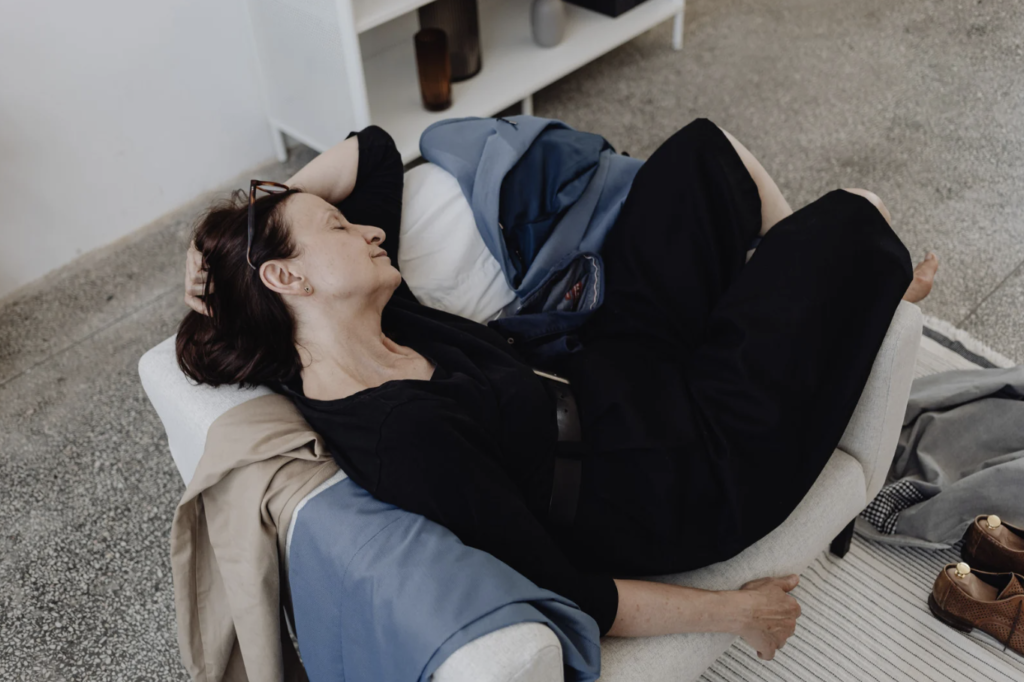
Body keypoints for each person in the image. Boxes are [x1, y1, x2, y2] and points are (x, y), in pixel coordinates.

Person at [176, 120, 938, 661]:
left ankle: (798, 306)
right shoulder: (402, 436)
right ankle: (823, 306)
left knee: (700, 158)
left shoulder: (366, 309)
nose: (369, 231)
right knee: (854, 216)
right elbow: (566, 587)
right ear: (289, 278)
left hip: (611, 369)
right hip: (684, 471)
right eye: (340, 229)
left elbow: (373, 153)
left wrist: (240, 232)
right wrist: (739, 614)